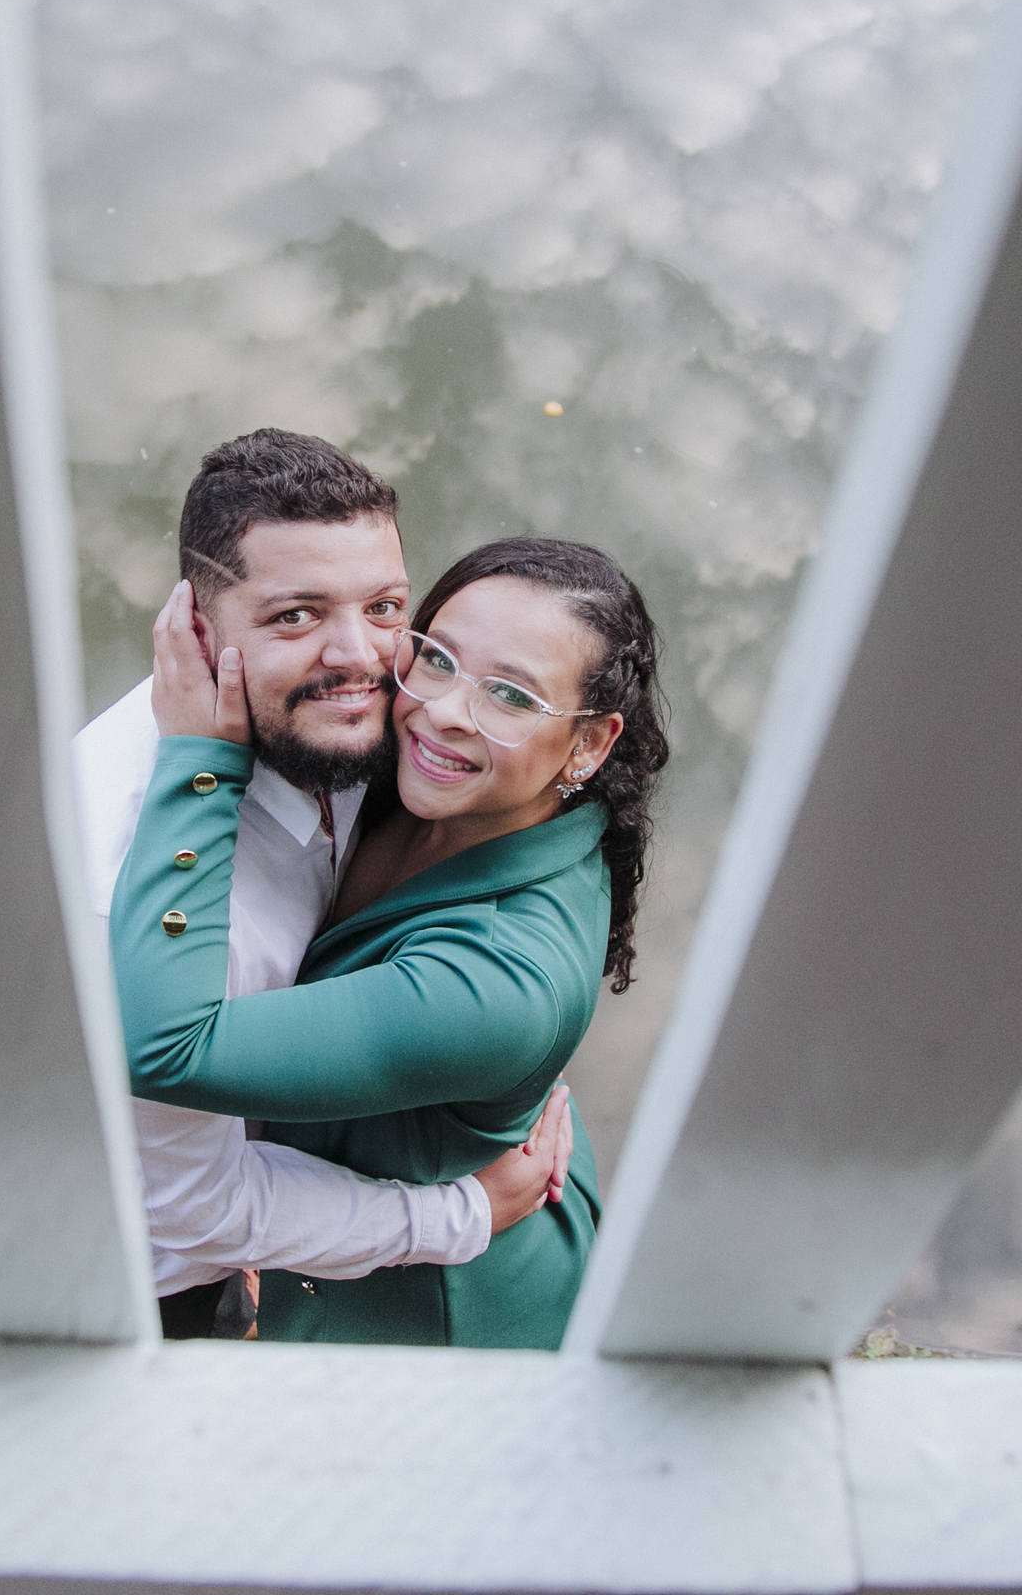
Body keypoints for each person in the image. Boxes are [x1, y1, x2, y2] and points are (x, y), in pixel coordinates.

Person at [112, 535, 670, 1349]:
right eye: (437, 657)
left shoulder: (501, 985)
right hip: (354, 1220)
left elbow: (162, 1048)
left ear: (589, 743)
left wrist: (199, 762)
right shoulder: (428, 778)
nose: (443, 711)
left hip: (436, 1314)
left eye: (511, 696)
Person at [75, 430, 571, 1339]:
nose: (360, 658)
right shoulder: (129, 893)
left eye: (383, 607)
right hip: (123, 1269)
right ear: (196, 632)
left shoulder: (353, 723)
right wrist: (460, 1214)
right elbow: (190, 1206)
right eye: (296, 616)